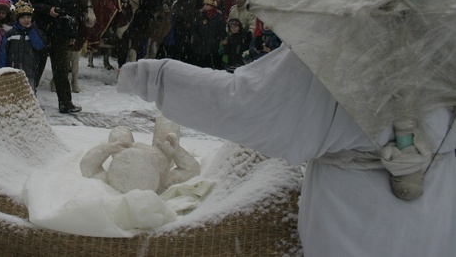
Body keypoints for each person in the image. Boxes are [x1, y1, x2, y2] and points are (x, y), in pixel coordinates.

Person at [118, 44, 456, 256]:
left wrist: (153, 76)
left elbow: (241, 105)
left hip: (357, 237)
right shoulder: (445, 40)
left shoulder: (346, 52)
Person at [29, 0, 82, 113]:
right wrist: (48, 10)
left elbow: (74, 13)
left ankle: (65, 102)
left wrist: (72, 33)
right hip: (43, 31)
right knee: (37, 67)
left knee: (61, 69)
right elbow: (32, 3)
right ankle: (28, 99)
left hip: (61, 34)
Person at [0, 0, 47, 94]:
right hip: (12, 70)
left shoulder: (36, 32)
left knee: (29, 93)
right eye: (23, 17)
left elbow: (39, 46)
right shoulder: (10, 34)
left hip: (30, 71)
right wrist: (1, 69)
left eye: (28, 17)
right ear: (17, 18)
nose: (26, 20)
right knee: (12, 93)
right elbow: (3, 53)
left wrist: (31, 31)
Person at [195, 0, 225, 69]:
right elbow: (195, 29)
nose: (204, 6)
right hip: (201, 47)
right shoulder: (200, 15)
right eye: (204, 4)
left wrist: (216, 41)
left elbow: (221, 31)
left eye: (207, 5)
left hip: (213, 48)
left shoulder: (219, 17)